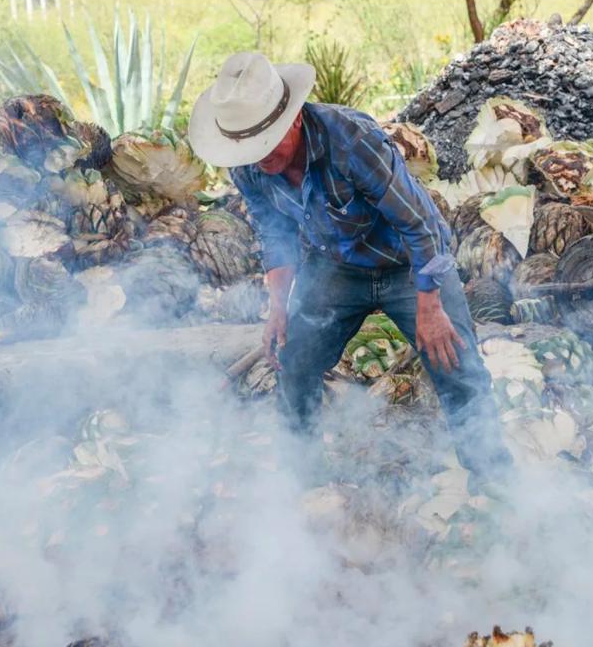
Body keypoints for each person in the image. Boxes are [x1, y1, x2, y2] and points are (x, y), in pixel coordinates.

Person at [189, 52, 512, 487]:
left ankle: (493, 480)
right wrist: (278, 307)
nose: (259, 157)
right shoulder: (249, 166)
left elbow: (419, 225)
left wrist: (430, 307)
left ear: (294, 120)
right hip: (335, 265)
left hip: (409, 261)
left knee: (455, 364)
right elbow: (274, 233)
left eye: (267, 144)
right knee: (294, 361)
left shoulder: (351, 140)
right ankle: (299, 478)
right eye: (250, 148)